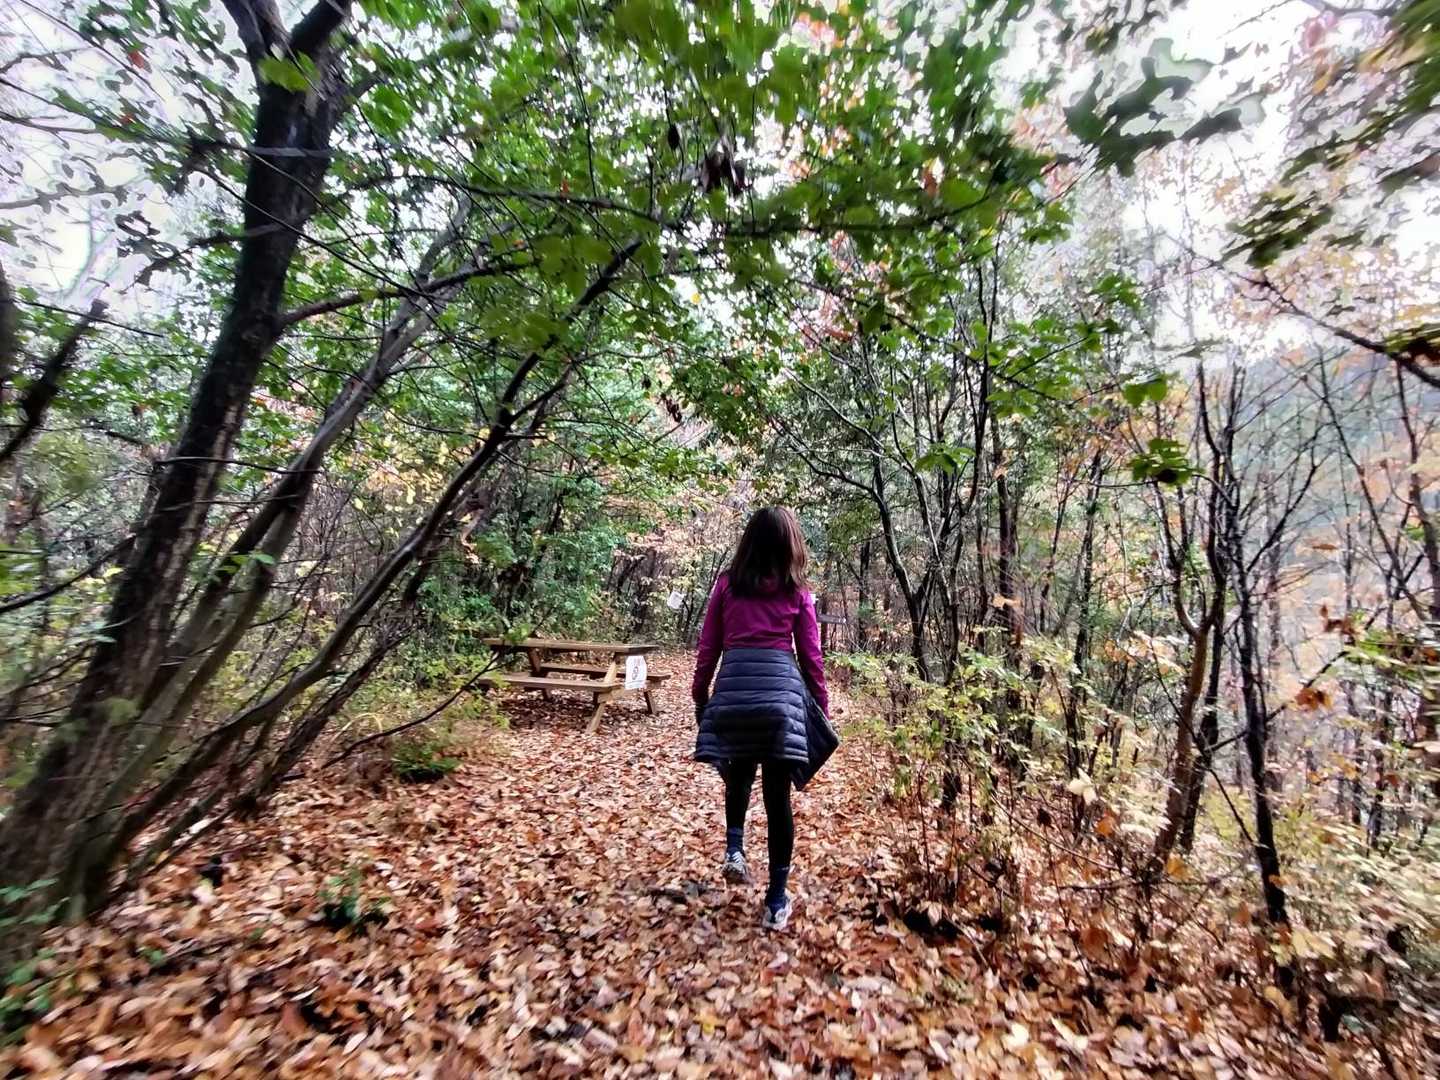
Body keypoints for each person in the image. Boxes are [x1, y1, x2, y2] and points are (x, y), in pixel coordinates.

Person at [692, 507, 830, 931]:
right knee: (776, 798)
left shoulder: (726, 585)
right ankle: (776, 900)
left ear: (748, 541)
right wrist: (821, 708)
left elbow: (708, 647)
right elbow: (811, 656)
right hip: (779, 702)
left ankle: (734, 848)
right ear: (791, 545)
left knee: (738, 775)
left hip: (734, 691)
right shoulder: (796, 592)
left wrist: (701, 695)